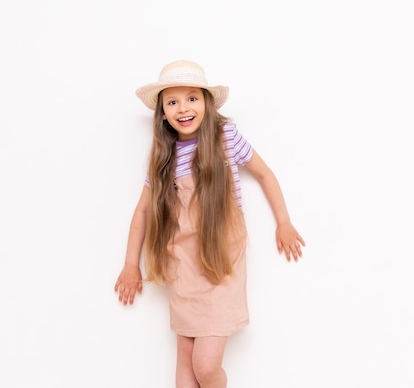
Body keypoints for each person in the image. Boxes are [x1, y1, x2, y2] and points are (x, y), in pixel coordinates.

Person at [114, 60, 306, 388]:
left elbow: (264, 173)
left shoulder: (225, 136)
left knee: (205, 367)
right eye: (172, 102)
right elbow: (142, 212)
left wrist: (283, 222)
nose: (183, 108)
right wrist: (131, 265)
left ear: (206, 102)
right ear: (162, 113)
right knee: (185, 376)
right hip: (182, 264)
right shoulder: (165, 156)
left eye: (191, 98)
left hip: (219, 261)